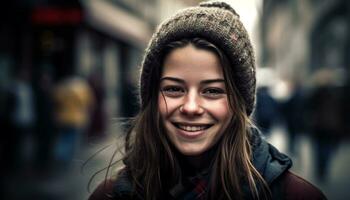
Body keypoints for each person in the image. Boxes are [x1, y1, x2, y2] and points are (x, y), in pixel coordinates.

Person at [89, 1, 326, 199]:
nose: (191, 107)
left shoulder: (296, 196)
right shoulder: (110, 195)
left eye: (212, 91)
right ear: (152, 98)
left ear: (238, 103)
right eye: (173, 89)